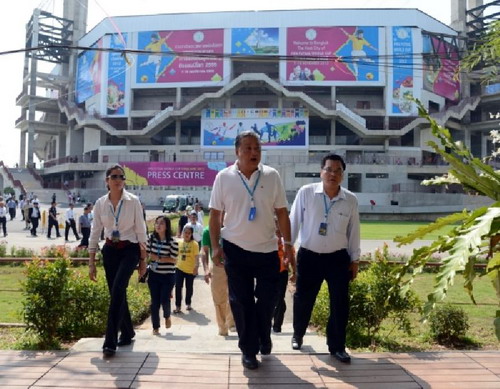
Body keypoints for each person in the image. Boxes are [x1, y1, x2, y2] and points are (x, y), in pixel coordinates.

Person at [209, 131, 294, 370]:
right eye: (247, 148)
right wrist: (216, 247)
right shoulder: (223, 178)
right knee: (241, 301)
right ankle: (249, 349)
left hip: (267, 250)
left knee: (268, 300)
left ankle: (263, 335)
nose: (253, 152)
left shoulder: (272, 176)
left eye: (257, 147)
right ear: (237, 151)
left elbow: (282, 213)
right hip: (235, 250)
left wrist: (288, 246)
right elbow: (215, 215)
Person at [289, 154, 360, 364]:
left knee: (339, 303)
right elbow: (294, 221)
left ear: (343, 175)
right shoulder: (306, 193)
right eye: (329, 169)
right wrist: (287, 250)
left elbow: (354, 231)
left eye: (338, 171)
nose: (333, 174)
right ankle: (298, 334)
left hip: (338, 259)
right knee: (303, 299)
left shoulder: (350, 200)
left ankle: (337, 347)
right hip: (309, 256)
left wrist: (354, 259)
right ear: (321, 172)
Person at [88, 164, 148, 357]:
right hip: (110, 251)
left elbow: (141, 230)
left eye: (121, 177)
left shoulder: (133, 201)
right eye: (114, 176)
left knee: (117, 289)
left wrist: (143, 260)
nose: (118, 180)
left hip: (129, 250)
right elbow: (95, 232)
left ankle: (110, 341)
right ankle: (128, 331)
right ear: (107, 181)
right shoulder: (100, 204)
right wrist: (91, 261)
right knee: (117, 292)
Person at [200, 223, 235, 336]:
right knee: (219, 299)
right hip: (217, 267)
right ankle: (222, 326)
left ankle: (231, 323)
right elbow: (204, 251)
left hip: (234, 266)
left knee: (234, 296)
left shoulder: (233, 227)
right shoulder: (207, 231)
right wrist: (205, 269)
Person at [146, 215, 179, 335]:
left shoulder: (172, 242)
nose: (158, 225)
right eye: (156, 223)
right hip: (154, 275)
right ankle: (155, 327)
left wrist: (159, 258)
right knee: (154, 302)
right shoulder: (151, 239)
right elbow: (146, 253)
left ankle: (167, 316)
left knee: (165, 299)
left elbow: (174, 260)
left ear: (166, 227)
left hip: (168, 276)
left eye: (161, 223)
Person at [272, 219, 296, 333]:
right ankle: (274, 314)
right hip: (269, 272)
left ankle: (277, 325)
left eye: (279, 225)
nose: (277, 228)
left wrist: (294, 272)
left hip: (282, 272)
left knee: (280, 297)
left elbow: (292, 256)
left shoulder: (286, 241)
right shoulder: (268, 239)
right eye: (275, 225)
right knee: (272, 297)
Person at [173, 226, 199, 314]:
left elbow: (196, 257)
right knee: (178, 287)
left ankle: (188, 303)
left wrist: (196, 267)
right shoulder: (179, 242)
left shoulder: (194, 244)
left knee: (189, 288)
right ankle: (178, 306)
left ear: (191, 234)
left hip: (190, 270)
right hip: (179, 268)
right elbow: (175, 254)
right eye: (185, 232)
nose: (187, 234)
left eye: (189, 233)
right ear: (182, 233)